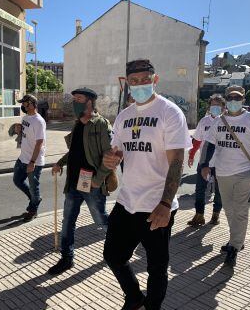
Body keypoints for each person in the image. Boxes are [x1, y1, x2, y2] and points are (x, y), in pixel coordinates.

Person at [103, 59, 191, 310]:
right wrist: (111, 158)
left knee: (157, 267)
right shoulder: (124, 116)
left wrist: (165, 203)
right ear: (126, 83)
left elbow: (176, 161)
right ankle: (133, 297)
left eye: (145, 80)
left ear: (155, 80)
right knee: (113, 256)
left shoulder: (169, 112)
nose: (140, 85)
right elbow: (116, 152)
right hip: (127, 201)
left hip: (156, 204)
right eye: (134, 81)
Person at [200, 85, 250, 267]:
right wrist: (204, 165)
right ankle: (235, 239)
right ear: (226, 100)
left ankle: (234, 247)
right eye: (230, 98)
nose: (234, 102)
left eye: (237, 98)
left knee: (241, 210)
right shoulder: (219, 121)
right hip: (222, 173)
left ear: (243, 100)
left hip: (244, 173)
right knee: (229, 210)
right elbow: (209, 144)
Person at [48, 87, 112, 275]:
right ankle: (66, 258)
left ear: (90, 102)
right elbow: (75, 151)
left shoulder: (100, 124)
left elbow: (109, 156)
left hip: (92, 183)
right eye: (73, 99)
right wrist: (60, 163)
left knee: (101, 220)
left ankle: (118, 247)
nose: (74, 102)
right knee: (68, 221)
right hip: (73, 182)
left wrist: (97, 180)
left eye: (79, 98)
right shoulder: (77, 124)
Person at [187, 94, 225, 226]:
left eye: (218, 105)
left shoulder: (226, 121)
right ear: (209, 107)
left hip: (220, 162)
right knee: (200, 189)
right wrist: (191, 155)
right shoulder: (204, 121)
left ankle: (215, 215)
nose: (216, 108)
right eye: (213, 105)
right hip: (204, 161)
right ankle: (199, 215)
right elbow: (197, 140)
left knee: (220, 191)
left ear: (223, 107)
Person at [13, 94, 46, 222]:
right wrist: (18, 130)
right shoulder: (25, 118)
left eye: (25, 103)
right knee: (17, 181)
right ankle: (35, 198)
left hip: (34, 161)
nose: (23, 106)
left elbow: (39, 143)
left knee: (34, 187)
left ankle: (33, 210)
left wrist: (32, 162)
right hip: (23, 158)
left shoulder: (39, 121)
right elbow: (25, 134)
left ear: (32, 104)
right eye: (22, 104)